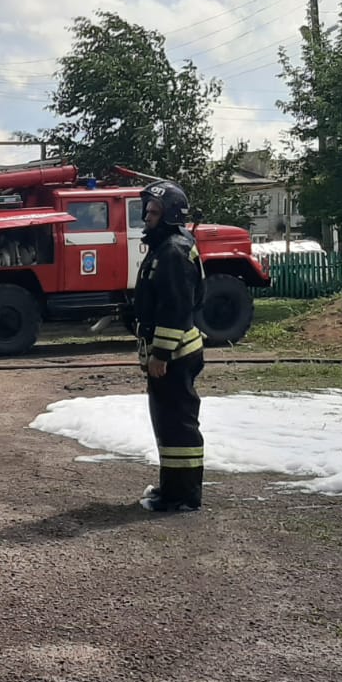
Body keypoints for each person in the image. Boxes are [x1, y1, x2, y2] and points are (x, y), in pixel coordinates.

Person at [134, 180, 206, 513]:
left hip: (175, 355)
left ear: (169, 215)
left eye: (153, 211)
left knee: (178, 426)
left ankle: (184, 497)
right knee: (168, 425)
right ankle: (172, 488)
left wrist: (161, 354)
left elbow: (176, 308)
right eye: (147, 210)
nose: (147, 216)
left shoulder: (173, 251)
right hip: (171, 353)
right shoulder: (166, 247)